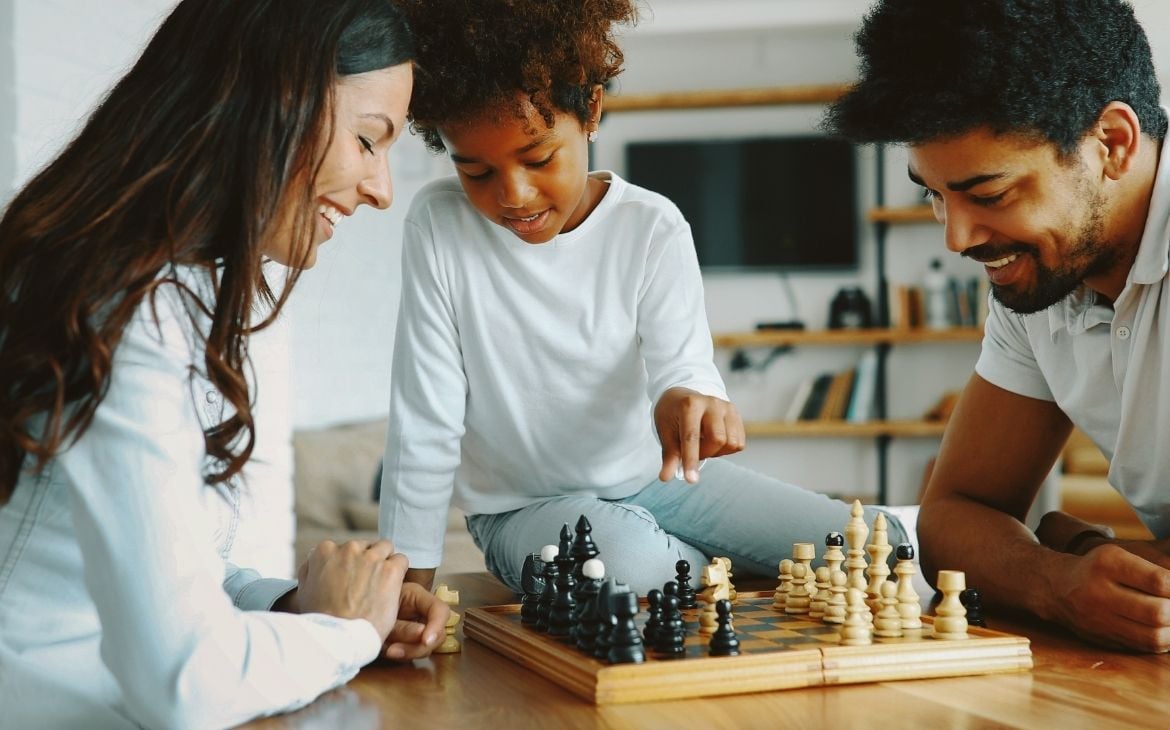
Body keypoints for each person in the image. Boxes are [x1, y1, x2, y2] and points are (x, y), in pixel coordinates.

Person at [0, 1, 450, 727]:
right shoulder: (126, 310)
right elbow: (184, 681)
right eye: (370, 140)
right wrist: (345, 633)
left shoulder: (158, 286)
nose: (382, 188)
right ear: (278, 99)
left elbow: (173, 567)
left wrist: (299, 606)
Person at [380, 0, 912, 597]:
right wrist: (409, 578)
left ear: (591, 112)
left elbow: (683, 364)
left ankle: (695, 572)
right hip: (519, 512)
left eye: (538, 158)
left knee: (877, 546)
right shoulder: (437, 225)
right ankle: (695, 572)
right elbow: (424, 420)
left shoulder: (652, 226)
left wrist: (691, 398)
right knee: (631, 566)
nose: (514, 195)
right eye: (476, 172)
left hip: (657, 484)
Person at [824, 0, 1170, 653]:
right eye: (933, 193)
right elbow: (952, 517)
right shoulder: (1041, 280)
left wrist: (1091, 550)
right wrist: (1055, 580)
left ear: (1112, 144)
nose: (957, 238)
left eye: (989, 195)